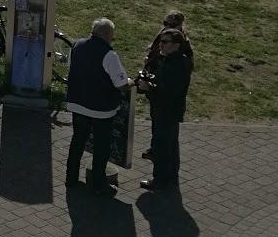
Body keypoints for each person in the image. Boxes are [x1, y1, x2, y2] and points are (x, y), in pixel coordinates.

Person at [65, 17, 134, 196]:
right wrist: (131, 82)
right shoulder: (109, 55)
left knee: (77, 141)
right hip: (101, 110)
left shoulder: (76, 46)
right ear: (107, 34)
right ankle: (98, 183)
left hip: (77, 104)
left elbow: (71, 68)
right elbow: (120, 84)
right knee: (101, 147)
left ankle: (71, 178)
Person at [137, 26, 192, 191]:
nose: (161, 44)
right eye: (161, 41)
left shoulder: (179, 64)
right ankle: (170, 178)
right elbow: (156, 78)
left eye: (165, 42)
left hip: (167, 111)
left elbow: (170, 90)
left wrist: (149, 88)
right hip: (163, 110)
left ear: (176, 45)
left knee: (162, 146)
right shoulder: (166, 59)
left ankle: (160, 180)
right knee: (169, 145)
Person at [141, 11, 193, 161]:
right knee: (158, 128)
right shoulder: (165, 36)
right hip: (159, 97)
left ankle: (163, 163)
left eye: (171, 24)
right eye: (165, 23)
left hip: (168, 105)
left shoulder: (181, 48)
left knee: (166, 138)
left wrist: (151, 86)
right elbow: (154, 54)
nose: (167, 26)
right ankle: (156, 150)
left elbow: (172, 88)